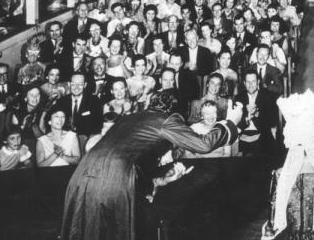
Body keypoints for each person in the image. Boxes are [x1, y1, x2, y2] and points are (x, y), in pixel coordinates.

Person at [60, 90, 242, 240]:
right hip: (113, 181)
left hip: (80, 175)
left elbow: (130, 159)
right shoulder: (166, 120)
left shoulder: (129, 119)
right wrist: (230, 122)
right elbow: (204, 145)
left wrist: (159, 180)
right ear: (176, 112)